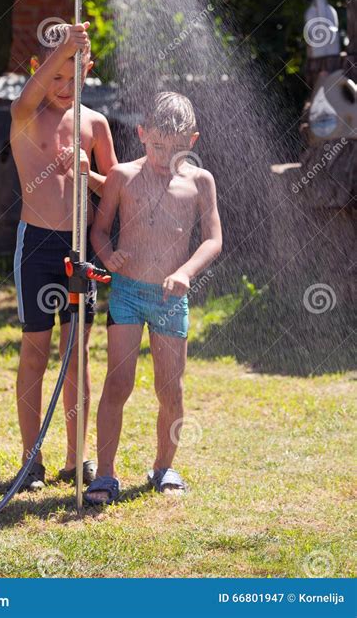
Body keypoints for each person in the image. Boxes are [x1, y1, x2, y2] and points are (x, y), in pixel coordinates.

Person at [85, 91, 222, 503]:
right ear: (142, 134)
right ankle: (105, 474)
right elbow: (99, 228)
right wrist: (109, 256)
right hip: (126, 292)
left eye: (176, 147)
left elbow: (214, 240)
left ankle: (165, 466)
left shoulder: (199, 181)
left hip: (169, 299)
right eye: (157, 145)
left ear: (192, 141)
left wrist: (184, 272)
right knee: (118, 382)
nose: (165, 155)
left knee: (170, 388)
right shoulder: (122, 177)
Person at [10, 21, 117, 491]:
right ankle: (31, 458)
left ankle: (78, 460)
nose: (64, 88)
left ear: (88, 70)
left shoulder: (95, 123)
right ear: (38, 69)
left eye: (75, 77)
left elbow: (116, 190)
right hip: (35, 244)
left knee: (77, 356)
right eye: (55, 76)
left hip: (77, 249)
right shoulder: (27, 113)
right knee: (35, 352)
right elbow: (24, 99)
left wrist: (87, 174)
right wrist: (64, 49)